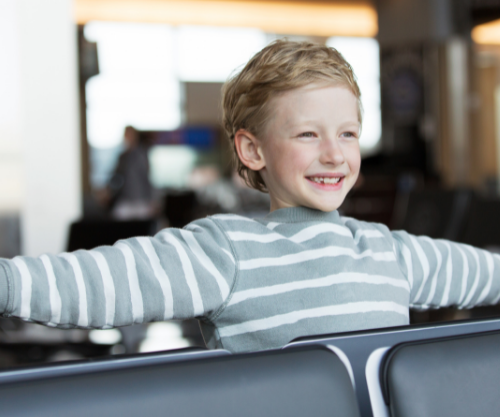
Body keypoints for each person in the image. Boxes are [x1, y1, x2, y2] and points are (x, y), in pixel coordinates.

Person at [1, 40, 499, 353]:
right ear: (252, 149)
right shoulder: (226, 251)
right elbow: (101, 282)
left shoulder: (388, 252)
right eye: (308, 135)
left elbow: (486, 275)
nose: (334, 154)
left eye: (348, 134)